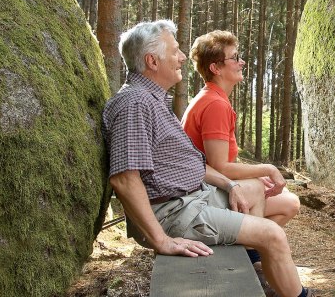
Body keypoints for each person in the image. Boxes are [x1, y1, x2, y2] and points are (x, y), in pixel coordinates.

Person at [102, 20, 313, 297]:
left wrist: (230, 185)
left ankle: (252, 269)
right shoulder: (136, 104)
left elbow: (192, 164)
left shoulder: (153, 100)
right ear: (152, 61)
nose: (181, 58)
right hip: (174, 212)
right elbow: (125, 179)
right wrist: (161, 240)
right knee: (273, 235)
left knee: (251, 188)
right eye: (175, 51)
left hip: (192, 197)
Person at [181, 30, 300, 229]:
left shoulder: (211, 98)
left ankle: (250, 250)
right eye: (235, 57)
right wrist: (268, 169)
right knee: (289, 203)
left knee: (284, 197)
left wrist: (254, 173)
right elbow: (220, 167)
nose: (242, 62)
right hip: (202, 192)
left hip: (206, 185)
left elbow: (218, 162)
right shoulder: (214, 105)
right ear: (215, 68)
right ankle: (250, 251)